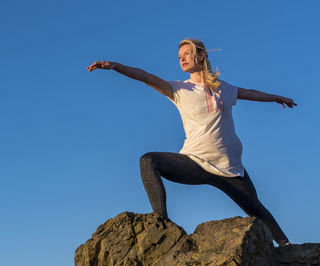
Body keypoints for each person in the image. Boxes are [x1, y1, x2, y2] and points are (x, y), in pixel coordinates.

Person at [86, 38, 296, 247]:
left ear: (201, 56)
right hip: (195, 162)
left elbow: (252, 93)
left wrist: (277, 97)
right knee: (148, 161)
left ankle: (287, 247)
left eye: (186, 54)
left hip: (230, 168)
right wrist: (115, 66)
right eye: (179, 57)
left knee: (257, 209)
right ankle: (162, 224)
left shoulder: (225, 89)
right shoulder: (178, 89)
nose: (182, 59)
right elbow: (146, 77)